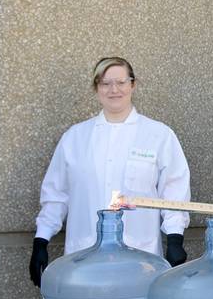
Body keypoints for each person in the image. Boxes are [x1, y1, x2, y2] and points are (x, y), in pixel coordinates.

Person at [30, 57, 190, 284]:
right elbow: (56, 195)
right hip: (84, 257)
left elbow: (174, 191)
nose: (114, 90)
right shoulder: (75, 138)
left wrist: (175, 238)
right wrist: (41, 241)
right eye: (105, 83)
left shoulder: (158, 135)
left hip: (140, 259)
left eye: (121, 82)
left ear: (133, 85)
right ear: (96, 88)